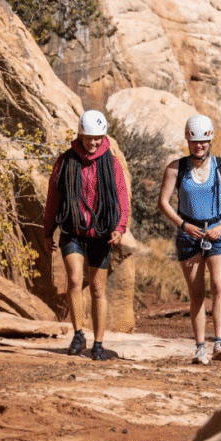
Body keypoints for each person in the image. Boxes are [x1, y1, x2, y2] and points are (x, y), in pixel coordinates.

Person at [43, 110, 129, 361]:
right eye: (89, 137)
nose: (94, 143)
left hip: (101, 232)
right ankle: (78, 333)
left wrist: (120, 227)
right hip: (72, 230)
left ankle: (99, 342)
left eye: (98, 138)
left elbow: (123, 198)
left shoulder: (111, 163)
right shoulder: (65, 161)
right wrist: (48, 230)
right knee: (74, 279)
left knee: (98, 289)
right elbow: (53, 198)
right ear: (80, 134)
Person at [158, 114, 221, 365]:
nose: (199, 146)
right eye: (194, 142)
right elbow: (163, 202)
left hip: (218, 233)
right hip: (189, 236)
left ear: (210, 140)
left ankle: (219, 343)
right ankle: (199, 348)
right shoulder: (176, 168)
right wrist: (183, 225)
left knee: (218, 285)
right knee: (196, 293)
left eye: (203, 142)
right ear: (187, 140)